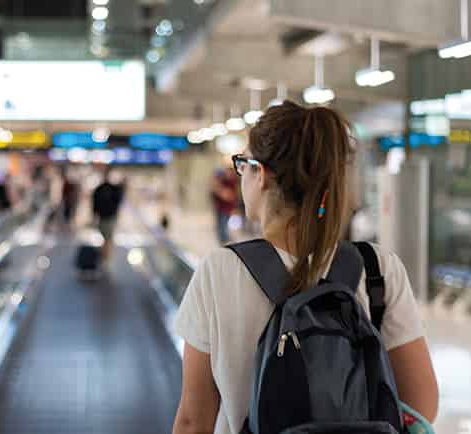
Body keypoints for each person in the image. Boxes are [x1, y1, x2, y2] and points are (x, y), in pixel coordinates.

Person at [172, 101, 438, 434]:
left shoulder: (219, 271)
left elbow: (193, 420)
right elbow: (421, 403)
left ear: (262, 175)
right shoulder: (378, 268)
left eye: (243, 165)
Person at [92, 168, 125, 260]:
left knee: (107, 239)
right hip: (108, 218)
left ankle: (104, 257)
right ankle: (105, 258)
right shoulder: (108, 189)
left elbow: (95, 205)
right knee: (108, 239)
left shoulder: (100, 189)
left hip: (104, 218)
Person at [210, 167, 240, 244]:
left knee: (223, 226)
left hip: (226, 209)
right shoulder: (223, 182)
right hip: (220, 208)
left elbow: (231, 196)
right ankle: (224, 241)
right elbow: (216, 193)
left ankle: (226, 241)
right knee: (220, 226)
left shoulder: (231, 182)